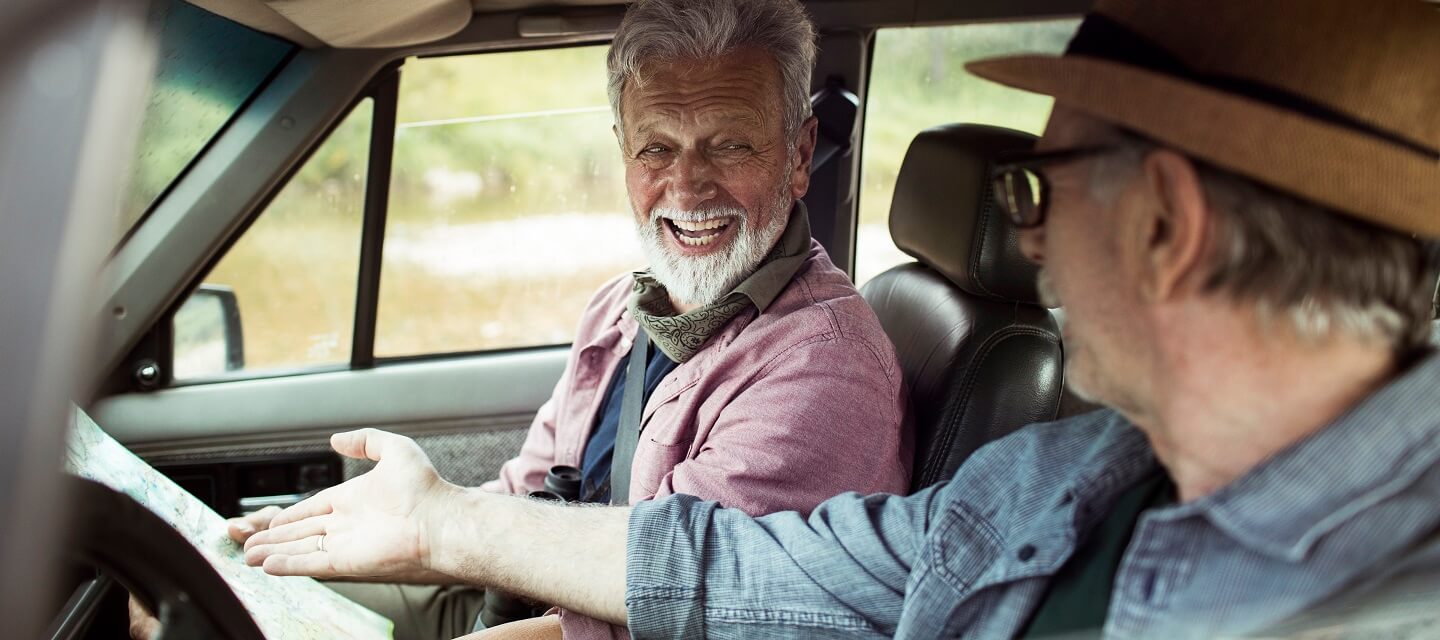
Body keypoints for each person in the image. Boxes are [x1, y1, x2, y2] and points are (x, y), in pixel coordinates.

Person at [245, 0, 1440, 637]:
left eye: (1039, 190)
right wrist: (446, 525)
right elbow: (731, 566)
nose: (1026, 239)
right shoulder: (1064, 481)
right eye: (656, 148)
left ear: (1164, 228)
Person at [133, 1, 913, 639]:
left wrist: (450, 541)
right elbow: (533, 489)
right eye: (655, 149)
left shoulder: (825, 367)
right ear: (622, 152)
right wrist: (369, 530)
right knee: (197, 587)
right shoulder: (622, 308)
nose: (687, 184)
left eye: (730, 144)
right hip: (522, 600)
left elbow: (676, 609)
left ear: (800, 151)